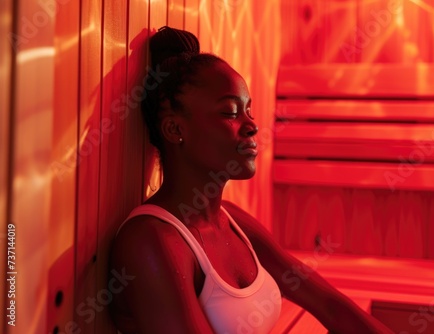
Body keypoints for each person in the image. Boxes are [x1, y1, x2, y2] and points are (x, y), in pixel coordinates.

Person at [108, 26, 394, 334]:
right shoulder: (151, 242)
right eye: (230, 113)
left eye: (249, 110)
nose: (251, 126)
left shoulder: (234, 222)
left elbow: (331, 307)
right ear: (176, 130)